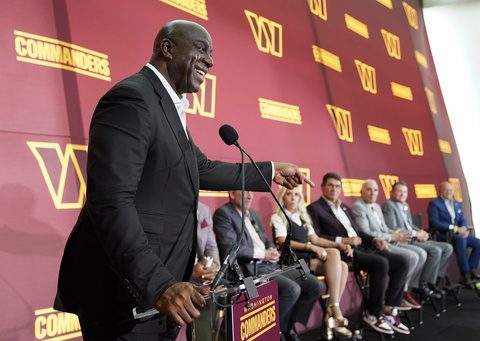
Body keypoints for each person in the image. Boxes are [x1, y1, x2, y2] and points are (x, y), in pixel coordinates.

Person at [53, 20, 313, 340]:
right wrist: (159, 283)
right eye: (201, 49)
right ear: (167, 48)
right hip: (123, 291)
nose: (211, 61)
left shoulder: (166, 106)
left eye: (212, 53)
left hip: (160, 290)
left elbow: (200, 168)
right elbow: (110, 202)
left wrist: (270, 171)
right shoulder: (132, 99)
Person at [307, 172, 410, 335]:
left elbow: (359, 231)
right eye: (330, 185)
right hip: (342, 251)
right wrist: (344, 241)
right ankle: (373, 314)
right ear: (322, 187)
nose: (334, 189)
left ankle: (389, 309)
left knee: (401, 261)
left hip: (361, 247)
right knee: (380, 264)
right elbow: (317, 237)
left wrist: (375, 239)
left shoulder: (344, 207)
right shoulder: (314, 208)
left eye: (337, 186)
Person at [213, 190, 322, 341]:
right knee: (292, 289)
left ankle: (287, 328)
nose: (250, 196)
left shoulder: (254, 214)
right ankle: (274, 333)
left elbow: (266, 239)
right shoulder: (223, 214)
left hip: (270, 266)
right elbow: (230, 249)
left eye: (251, 192)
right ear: (232, 194)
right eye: (245, 192)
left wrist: (272, 250)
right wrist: (263, 254)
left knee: (314, 284)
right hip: (249, 271)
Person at [271, 186, 352, 338]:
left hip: (307, 260)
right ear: (282, 197)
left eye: (296, 195)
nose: (293, 198)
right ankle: (333, 309)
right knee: (335, 257)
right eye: (288, 194)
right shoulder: (278, 217)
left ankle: (332, 308)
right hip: (292, 262)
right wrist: (310, 247)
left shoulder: (303, 217)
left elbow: (316, 239)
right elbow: (282, 242)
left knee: (342, 265)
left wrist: (338, 244)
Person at [351, 180, 430, 311]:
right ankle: (387, 303)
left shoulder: (375, 206)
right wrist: (312, 247)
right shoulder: (357, 207)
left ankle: (393, 301)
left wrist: (395, 234)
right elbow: (366, 233)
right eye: (369, 190)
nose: (372, 193)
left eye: (375, 190)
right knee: (407, 258)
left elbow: (383, 228)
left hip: (380, 241)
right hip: (310, 257)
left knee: (416, 255)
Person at [382, 180, 453, 296]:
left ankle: (433, 281)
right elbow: (393, 228)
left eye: (405, 192)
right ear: (392, 192)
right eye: (399, 191)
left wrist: (420, 231)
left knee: (447, 248)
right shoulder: (388, 205)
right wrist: (415, 234)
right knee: (435, 251)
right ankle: (422, 284)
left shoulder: (405, 205)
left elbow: (409, 225)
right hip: (404, 241)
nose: (402, 194)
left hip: (413, 238)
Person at [428, 181, 480, 287]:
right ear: (440, 191)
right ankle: (465, 274)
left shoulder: (456, 203)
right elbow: (435, 223)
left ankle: (471, 269)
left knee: (478, 243)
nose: (449, 192)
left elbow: (462, 220)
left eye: (451, 190)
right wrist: (456, 229)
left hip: (458, 235)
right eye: (446, 190)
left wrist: (464, 228)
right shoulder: (434, 204)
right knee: (461, 239)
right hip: (442, 235)